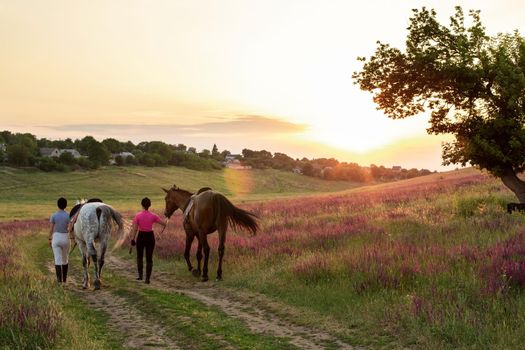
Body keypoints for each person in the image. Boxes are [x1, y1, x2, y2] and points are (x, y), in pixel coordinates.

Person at [129, 197, 167, 284]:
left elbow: (135, 229)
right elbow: (164, 224)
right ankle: (147, 279)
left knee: (139, 256)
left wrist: (132, 239)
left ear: (142, 205)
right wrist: (167, 219)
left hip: (141, 236)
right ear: (149, 205)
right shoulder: (154, 216)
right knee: (149, 258)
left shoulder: (138, 216)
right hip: (150, 237)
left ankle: (140, 276)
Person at [49, 197, 71, 283]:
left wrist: (49, 238)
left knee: (57, 259)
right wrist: (73, 238)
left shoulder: (54, 215)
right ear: (66, 205)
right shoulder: (69, 215)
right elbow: (70, 228)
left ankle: (59, 281)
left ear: (57, 205)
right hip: (66, 237)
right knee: (65, 259)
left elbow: (51, 229)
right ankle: (65, 279)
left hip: (56, 237)